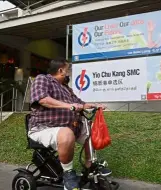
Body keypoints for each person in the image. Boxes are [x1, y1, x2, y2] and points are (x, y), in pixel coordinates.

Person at [28, 57, 111, 190]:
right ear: (61, 70)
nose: (70, 73)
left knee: (91, 129)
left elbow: (81, 103)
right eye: (69, 70)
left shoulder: (66, 88)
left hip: (70, 127)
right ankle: (68, 174)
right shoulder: (42, 79)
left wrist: (95, 105)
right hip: (43, 128)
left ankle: (90, 166)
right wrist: (69, 106)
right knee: (67, 133)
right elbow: (43, 100)